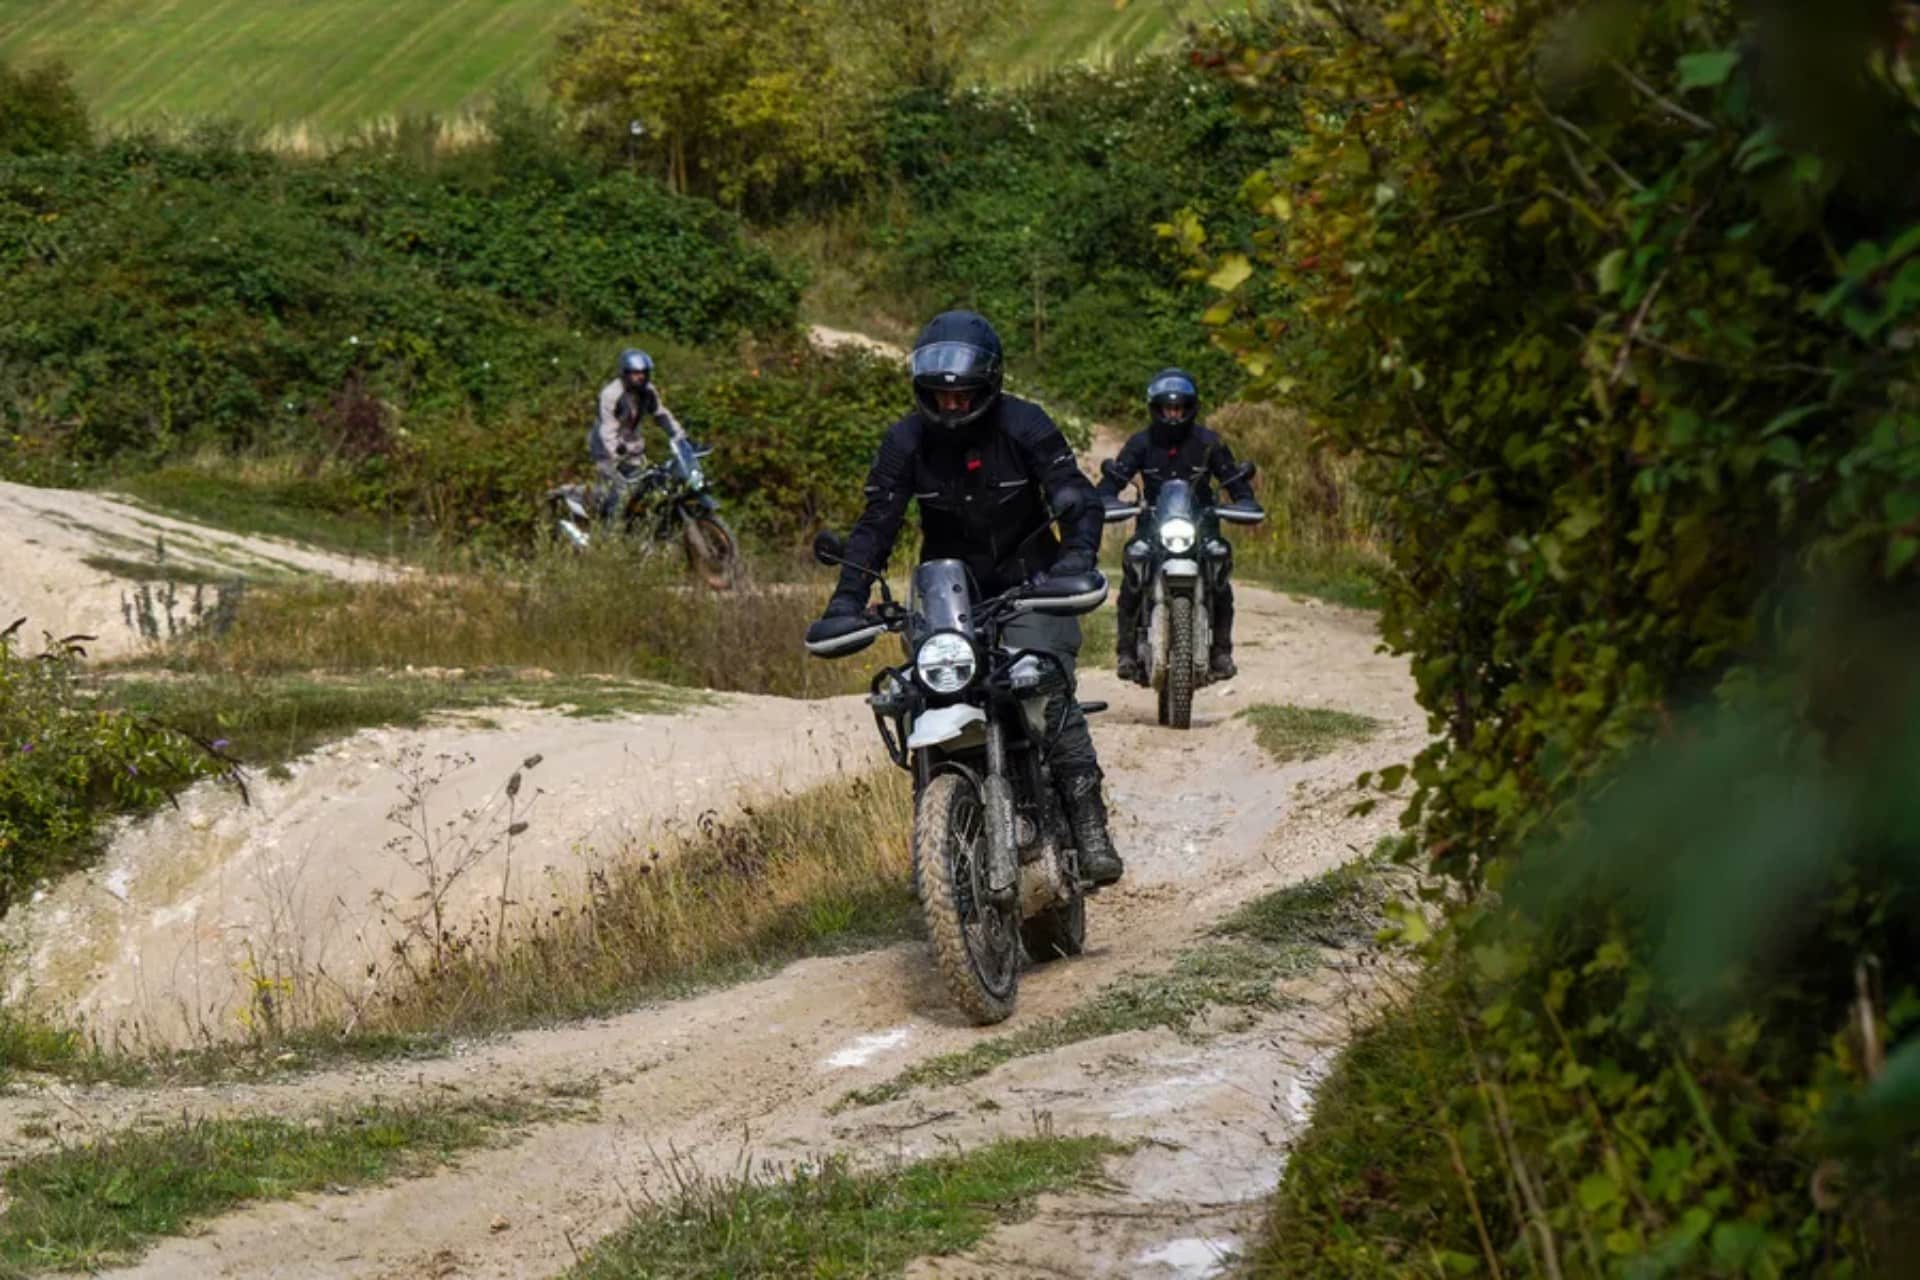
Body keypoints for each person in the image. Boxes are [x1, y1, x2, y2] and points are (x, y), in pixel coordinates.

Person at [807, 310, 1124, 887]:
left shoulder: (1025, 425)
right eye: (938, 397)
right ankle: (938, 854)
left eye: (963, 397)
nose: (951, 407)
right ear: (922, 392)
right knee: (919, 698)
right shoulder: (905, 440)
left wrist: (1075, 561)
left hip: (1035, 588)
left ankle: (1088, 821)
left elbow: (1074, 496)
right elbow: (877, 523)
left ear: (989, 386)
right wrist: (847, 598)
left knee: (1042, 686)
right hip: (950, 596)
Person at [1097, 367, 1260, 681]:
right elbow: (1114, 479)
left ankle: (1221, 651)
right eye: (1168, 407)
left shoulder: (1209, 443)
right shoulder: (1141, 442)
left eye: (1180, 407)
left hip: (1202, 524)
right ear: (1156, 408)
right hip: (1152, 524)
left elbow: (1235, 482)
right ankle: (1127, 651)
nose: (1174, 414)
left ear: (1190, 408)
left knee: (1219, 565)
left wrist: (1244, 500)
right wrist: (1107, 498)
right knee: (1135, 564)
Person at [589, 348, 687, 522]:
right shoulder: (611, 394)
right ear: (625, 373)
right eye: (635, 373)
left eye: (643, 373)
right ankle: (609, 536)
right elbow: (608, 430)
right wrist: (618, 456)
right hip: (605, 448)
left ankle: (639, 529)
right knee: (621, 491)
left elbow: (661, 414)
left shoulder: (648, 391)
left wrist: (679, 437)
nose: (640, 377)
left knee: (648, 488)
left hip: (631, 444)